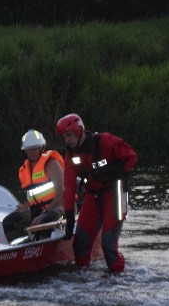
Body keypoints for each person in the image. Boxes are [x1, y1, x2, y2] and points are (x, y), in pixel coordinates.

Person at [56, 113, 137, 272]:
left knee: (108, 245)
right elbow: (69, 186)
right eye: (64, 137)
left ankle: (117, 278)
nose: (67, 140)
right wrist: (69, 215)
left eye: (69, 135)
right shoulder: (71, 155)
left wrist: (117, 173)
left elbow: (131, 157)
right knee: (80, 243)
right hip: (93, 197)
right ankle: (83, 279)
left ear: (79, 131)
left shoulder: (105, 142)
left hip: (116, 195)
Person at [2, 129, 65, 243]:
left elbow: (61, 193)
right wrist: (25, 205)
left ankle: (44, 245)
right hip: (37, 210)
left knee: (46, 220)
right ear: (25, 151)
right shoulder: (24, 170)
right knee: (9, 221)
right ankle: (23, 246)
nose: (32, 151)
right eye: (29, 149)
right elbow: (33, 194)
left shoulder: (51, 164)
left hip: (59, 206)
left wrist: (45, 213)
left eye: (35, 148)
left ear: (41, 147)